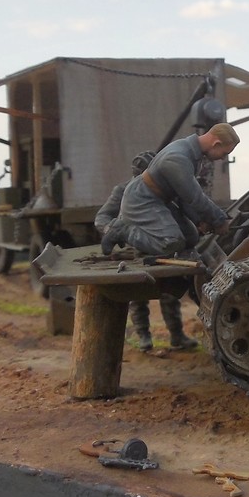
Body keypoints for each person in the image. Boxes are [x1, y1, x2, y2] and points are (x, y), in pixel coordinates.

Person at [94, 151, 199, 352]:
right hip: (136, 250)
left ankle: (177, 335)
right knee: (137, 294)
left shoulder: (165, 189)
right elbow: (101, 218)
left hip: (164, 248)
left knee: (170, 291)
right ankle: (143, 335)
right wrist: (114, 231)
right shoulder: (123, 190)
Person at [101, 123, 239, 257]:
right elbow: (194, 197)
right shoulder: (178, 158)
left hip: (160, 199)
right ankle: (121, 231)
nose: (223, 158)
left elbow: (183, 196)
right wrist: (218, 220)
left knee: (190, 237)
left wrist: (200, 221)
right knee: (170, 242)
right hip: (142, 199)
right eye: (224, 153)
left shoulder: (190, 153)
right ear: (216, 144)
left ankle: (179, 253)